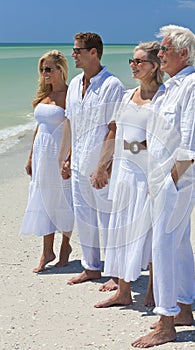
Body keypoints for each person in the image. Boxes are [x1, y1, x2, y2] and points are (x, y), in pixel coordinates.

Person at [132, 25, 195, 348]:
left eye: (165, 49)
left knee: (162, 245)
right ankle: (183, 309)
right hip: (162, 178)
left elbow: (191, 143)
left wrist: (169, 181)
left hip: (177, 180)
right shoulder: (171, 88)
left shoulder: (194, 85)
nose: (160, 54)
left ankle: (166, 323)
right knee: (178, 243)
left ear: (183, 53)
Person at [92, 41, 164, 308]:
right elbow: (115, 131)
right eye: (131, 61)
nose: (133, 65)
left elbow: (165, 138)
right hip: (124, 171)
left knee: (149, 232)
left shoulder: (163, 97)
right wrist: (103, 164)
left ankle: (155, 291)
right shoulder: (126, 95)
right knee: (122, 229)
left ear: (154, 66)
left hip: (147, 173)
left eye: (139, 62)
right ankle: (123, 291)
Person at [58, 32, 125, 287]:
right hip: (78, 164)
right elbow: (75, 124)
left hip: (101, 166)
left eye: (77, 50)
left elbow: (114, 128)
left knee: (109, 219)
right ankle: (91, 267)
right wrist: (68, 159)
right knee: (84, 218)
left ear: (93, 52)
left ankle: (118, 274)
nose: (73, 55)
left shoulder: (112, 85)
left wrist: (102, 167)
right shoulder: (74, 83)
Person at [20, 50, 74, 273]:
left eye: (49, 69)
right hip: (42, 155)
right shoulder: (44, 94)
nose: (45, 73)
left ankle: (65, 248)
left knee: (63, 199)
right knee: (43, 199)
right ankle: (46, 251)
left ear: (61, 69)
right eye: (42, 70)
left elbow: (75, 129)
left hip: (59, 155)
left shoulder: (71, 95)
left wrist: (69, 158)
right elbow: (39, 128)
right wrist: (31, 155)